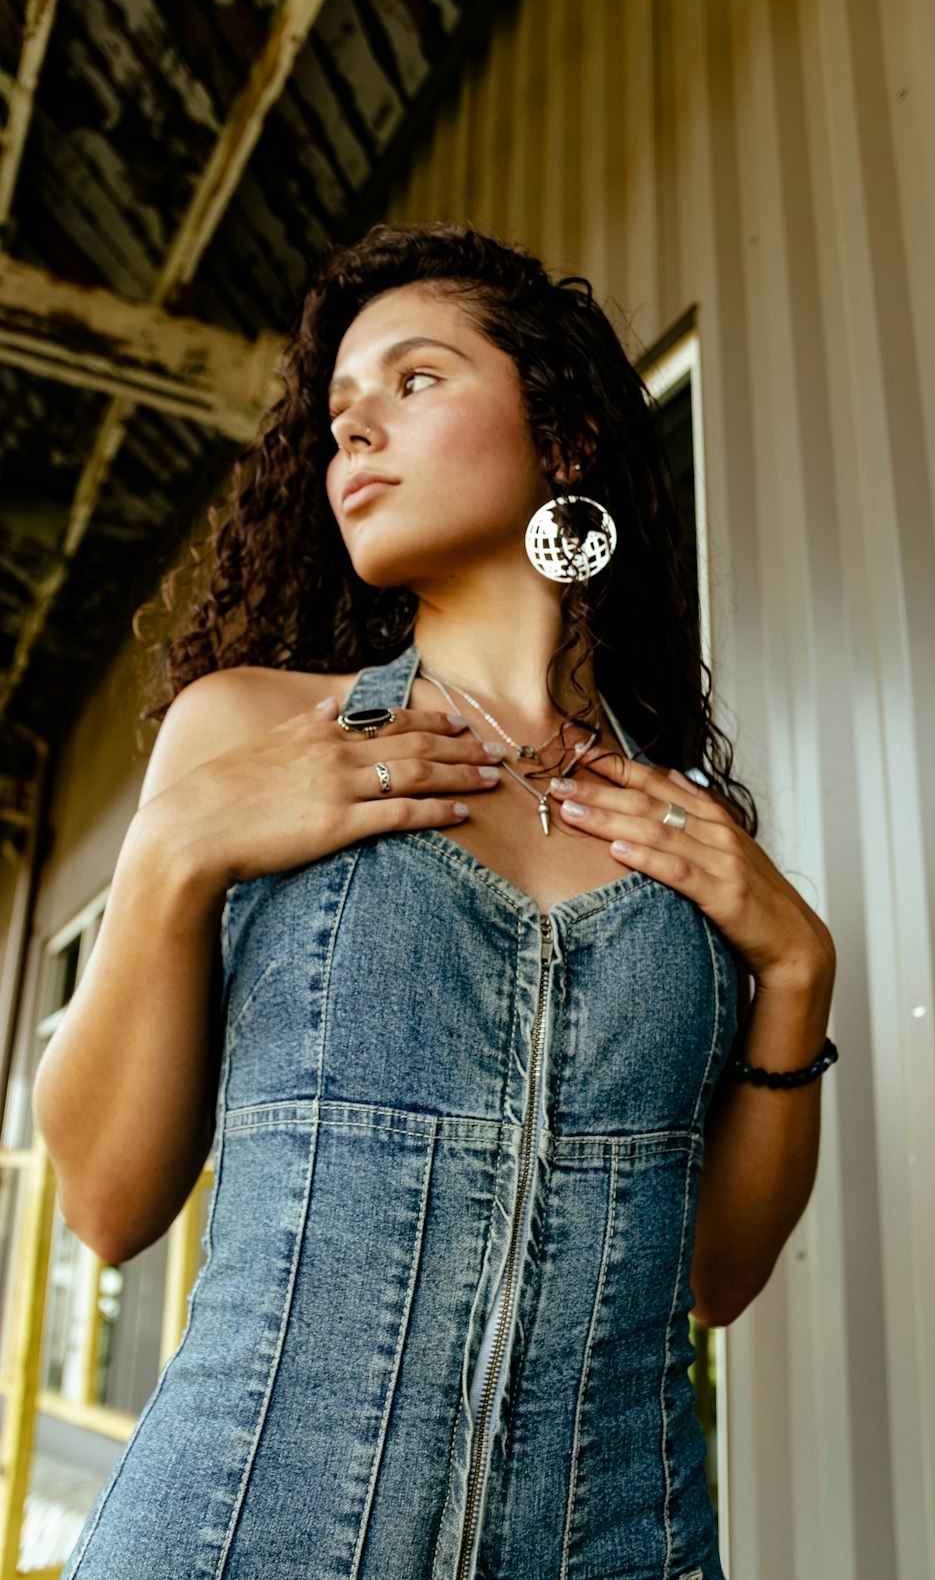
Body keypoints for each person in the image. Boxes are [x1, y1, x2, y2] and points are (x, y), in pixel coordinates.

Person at [36, 222, 837, 1580]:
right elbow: (109, 1208)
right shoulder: (247, 733)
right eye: (340, 417)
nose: (356, 438)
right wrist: (169, 856)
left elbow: (713, 1279)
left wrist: (799, 982)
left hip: (622, 1547)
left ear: (568, 439)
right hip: (240, 1536)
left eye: (413, 382)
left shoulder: (681, 816)